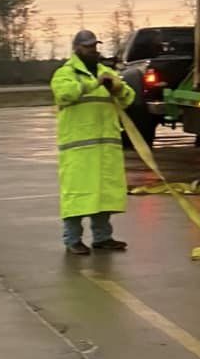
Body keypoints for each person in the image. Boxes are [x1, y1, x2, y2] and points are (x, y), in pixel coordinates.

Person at [51, 30, 136, 255]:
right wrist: (94, 84)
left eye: (94, 46)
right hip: (78, 149)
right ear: (77, 48)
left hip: (104, 147)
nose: (93, 50)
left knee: (103, 194)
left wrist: (117, 88)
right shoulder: (65, 73)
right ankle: (72, 240)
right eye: (88, 47)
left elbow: (129, 98)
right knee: (77, 196)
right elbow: (65, 94)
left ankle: (103, 237)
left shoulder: (106, 72)